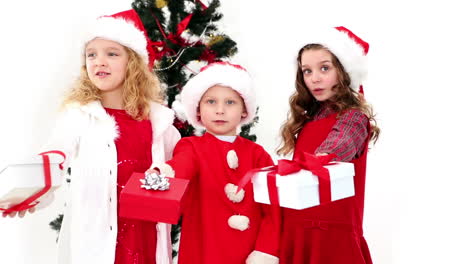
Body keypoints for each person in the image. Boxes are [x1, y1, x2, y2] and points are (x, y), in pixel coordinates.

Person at [5, 9, 181, 264]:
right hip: (96, 239)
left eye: (112, 54)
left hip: (146, 238)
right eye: (91, 55)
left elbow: (180, 170)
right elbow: (53, 160)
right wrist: (28, 195)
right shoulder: (78, 117)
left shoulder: (160, 124)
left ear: (133, 63)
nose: (99, 61)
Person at [148, 62, 280, 264]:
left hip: (249, 253)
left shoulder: (257, 155)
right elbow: (181, 166)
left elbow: (273, 210)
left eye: (230, 102)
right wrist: (166, 173)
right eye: (211, 102)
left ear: (244, 110)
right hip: (205, 251)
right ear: (198, 109)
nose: (220, 110)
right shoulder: (191, 147)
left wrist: (266, 250)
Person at [277, 26, 380, 264]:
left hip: (330, 235)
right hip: (296, 229)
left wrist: (324, 156)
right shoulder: (308, 120)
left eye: (325, 68)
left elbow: (341, 142)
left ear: (343, 71)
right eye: (307, 71)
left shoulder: (353, 118)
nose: (315, 78)